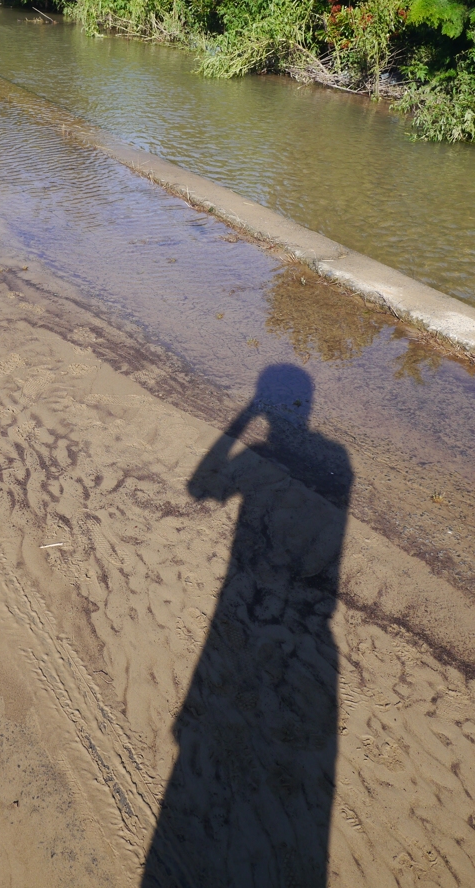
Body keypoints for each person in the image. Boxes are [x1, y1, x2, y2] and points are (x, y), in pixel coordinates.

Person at [142, 364, 353, 888]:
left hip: (249, 605)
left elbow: (199, 485)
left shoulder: (267, 455)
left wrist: (243, 419)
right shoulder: (338, 460)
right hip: (304, 619)